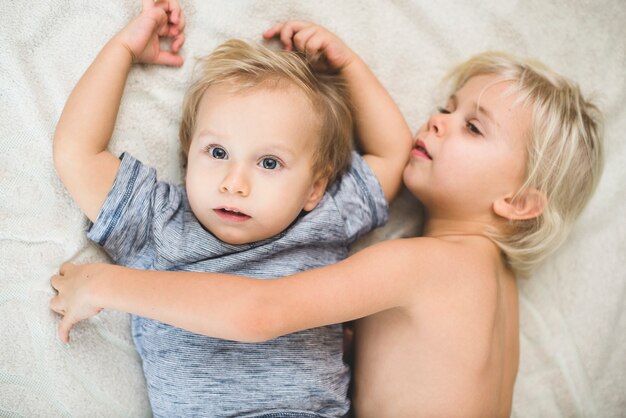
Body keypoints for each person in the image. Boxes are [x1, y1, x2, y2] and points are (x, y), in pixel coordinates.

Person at [50, 18, 604, 418]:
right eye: (445, 108)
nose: (435, 123)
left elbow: (262, 313)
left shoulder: (426, 262)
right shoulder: (495, 289)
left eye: (473, 127)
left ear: (520, 202)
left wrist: (108, 283)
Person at [50, 1, 412, 417]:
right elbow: (77, 153)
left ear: (314, 187)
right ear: (189, 156)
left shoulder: (324, 218)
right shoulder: (159, 221)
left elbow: (392, 153)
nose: (234, 183)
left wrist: (349, 66)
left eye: (269, 163)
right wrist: (122, 51)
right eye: (217, 152)